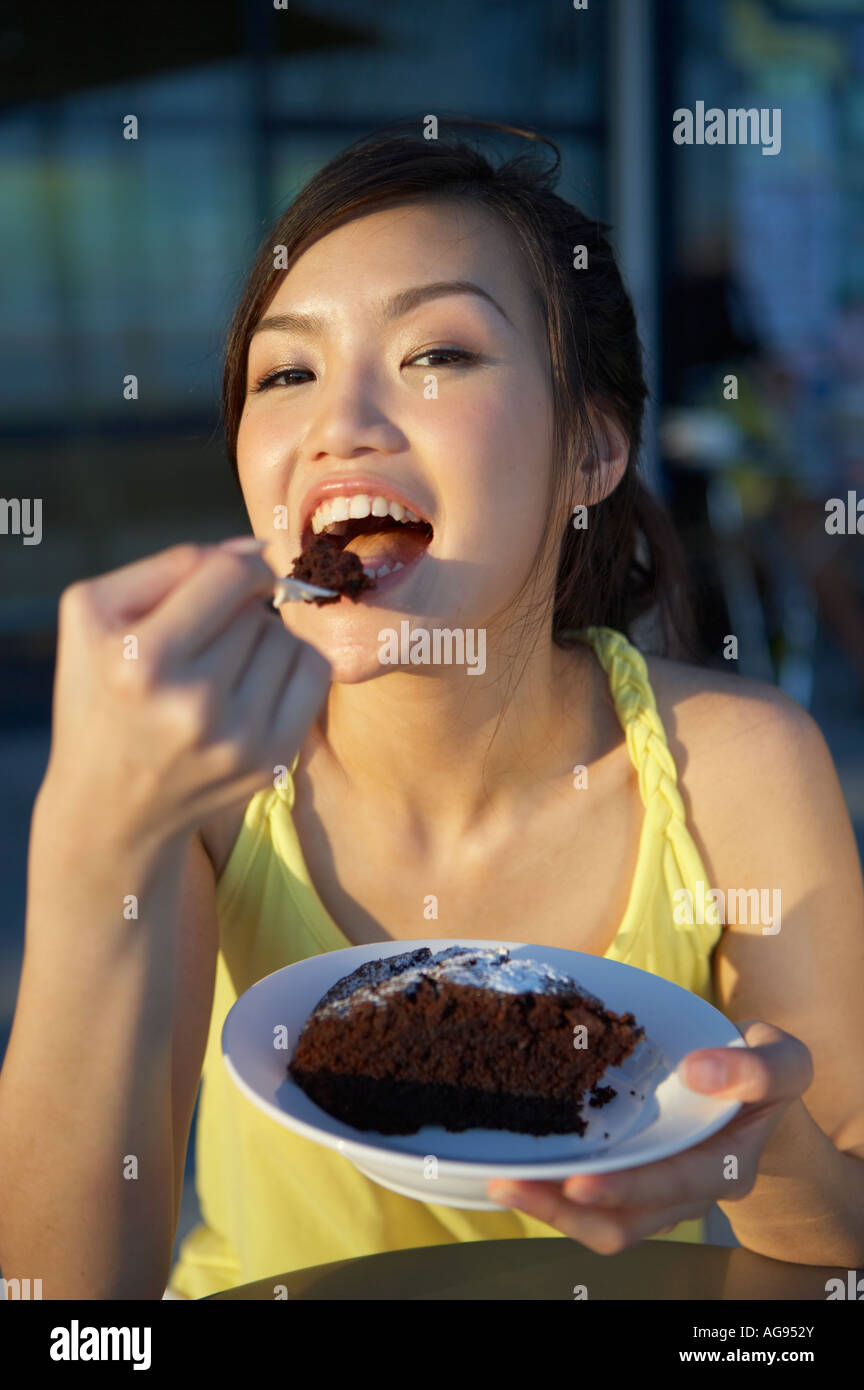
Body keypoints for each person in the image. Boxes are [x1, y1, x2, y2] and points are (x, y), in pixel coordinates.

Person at [1, 124, 861, 1302]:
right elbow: (63, 1312)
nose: (337, 422)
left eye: (439, 353)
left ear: (592, 451)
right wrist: (91, 826)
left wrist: (763, 1152)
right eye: (286, 373)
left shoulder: (741, 772)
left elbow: (845, 1241)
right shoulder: (206, 795)